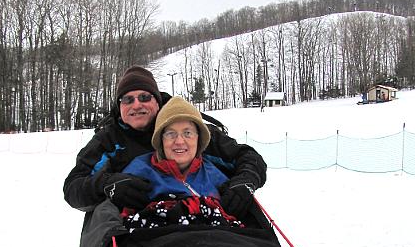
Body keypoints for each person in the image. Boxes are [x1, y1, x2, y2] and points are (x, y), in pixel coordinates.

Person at [63, 66, 267, 219]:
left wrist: (245, 181)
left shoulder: (184, 126)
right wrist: (108, 185)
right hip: (142, 228)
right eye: (128, 100)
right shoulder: (109, 140)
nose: (137, 105)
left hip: (202, 215)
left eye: (144, 97)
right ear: (119, 106)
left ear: (157, 101)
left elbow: (247, 157)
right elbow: (73, 187)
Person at [120, 96, 244, 230]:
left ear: (198, 139)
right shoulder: (139, 170)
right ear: (161, 141)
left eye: (188, 133)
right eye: (170, 134)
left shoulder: (214, 174)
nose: (179, 141)